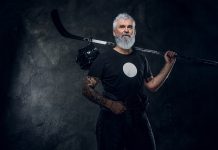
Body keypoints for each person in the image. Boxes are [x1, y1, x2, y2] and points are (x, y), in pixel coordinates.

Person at [82, 13, 176, 150]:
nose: (126, 30)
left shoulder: (141, 58)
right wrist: (110, 104)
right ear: (115, 32)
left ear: (134, 31)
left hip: (138, 118)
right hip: (111, 120)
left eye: (130, 27)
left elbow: (152, 85)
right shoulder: (103, 59)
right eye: (122, 27)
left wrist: (169, 64)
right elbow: (86, 89)